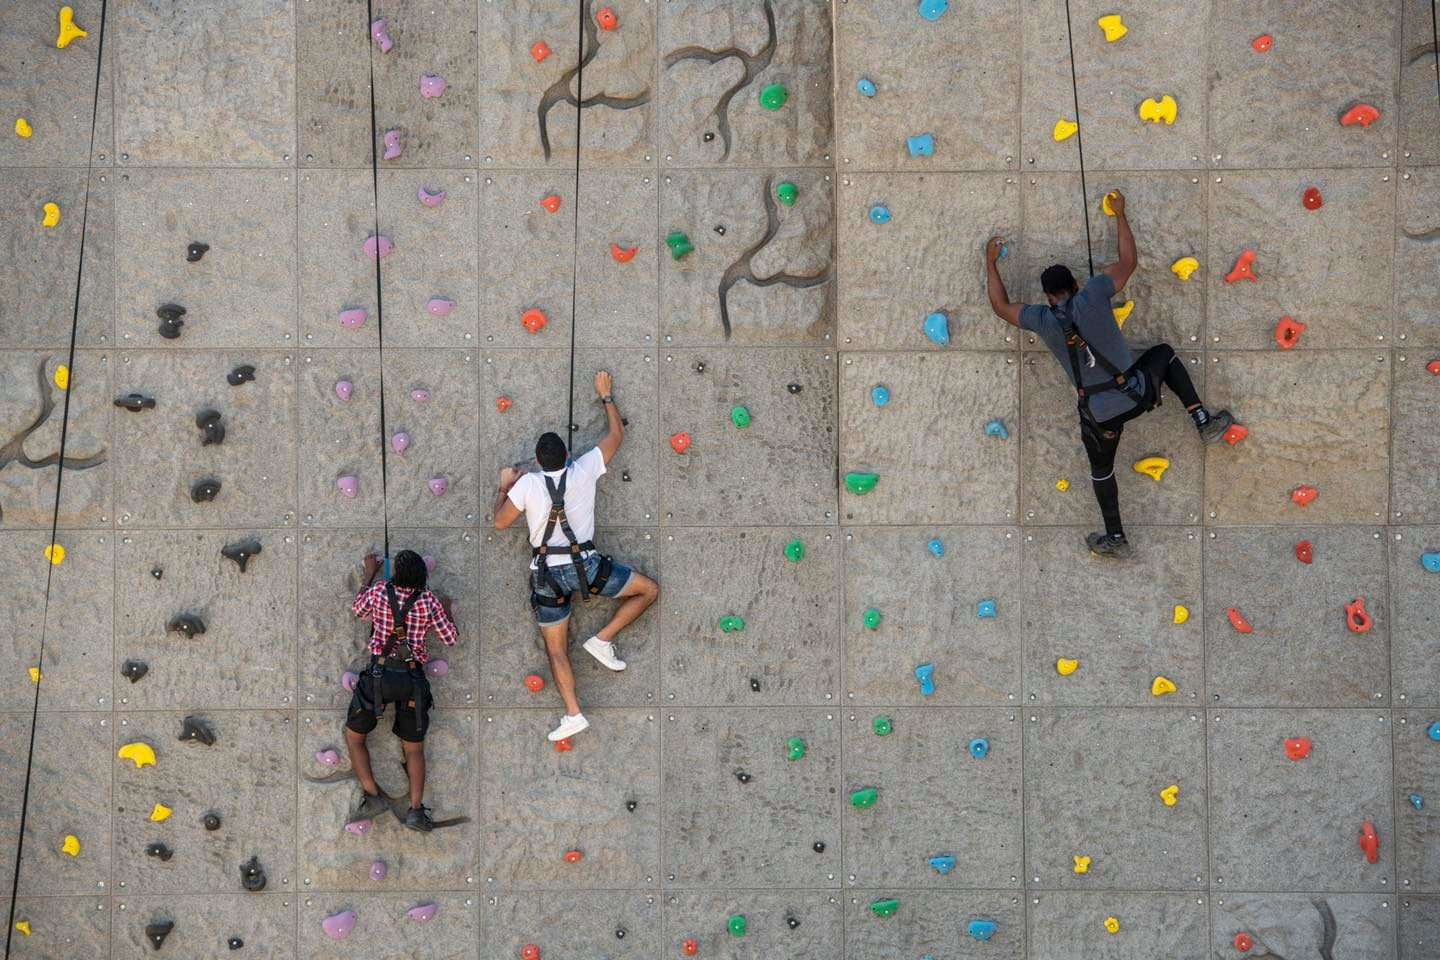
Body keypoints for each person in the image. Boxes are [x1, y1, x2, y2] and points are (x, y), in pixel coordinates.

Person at [983, 189, 1235, 559]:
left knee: (1102, 471)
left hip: (1099, 415)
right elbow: (1128, 261)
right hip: (1136, 392)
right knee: (1164, 353)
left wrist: (990, 262)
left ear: (1049, 296)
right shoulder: (1095, 292)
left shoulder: (1042, 319)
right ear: (1074, 286)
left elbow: (1000, 306)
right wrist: (1119, 213)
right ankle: (1202, 420)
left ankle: (1116, 537)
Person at [492, 370, 660, 741]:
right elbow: (616, 435)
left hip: (547, 576)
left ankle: (573, 714)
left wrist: (505, 486)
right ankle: (603, 638)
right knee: (648, 590)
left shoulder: (527, 485)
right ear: (567, 456)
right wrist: (606, 396)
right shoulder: (583, 469)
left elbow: (500, 523)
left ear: (537, 461)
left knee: (557, 652)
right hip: (586, 566)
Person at [346, 549, 458, 831]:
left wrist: (370, 573)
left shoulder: (381, 591)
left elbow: (358, 610)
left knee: (355, 738)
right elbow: (450, 638)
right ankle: (416, 811)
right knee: (414, 749)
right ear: (423, 576)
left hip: (379, 675)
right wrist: (445, 609)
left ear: (394, 575)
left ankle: (373, 797)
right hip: (412, 678)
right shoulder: (429, 601)